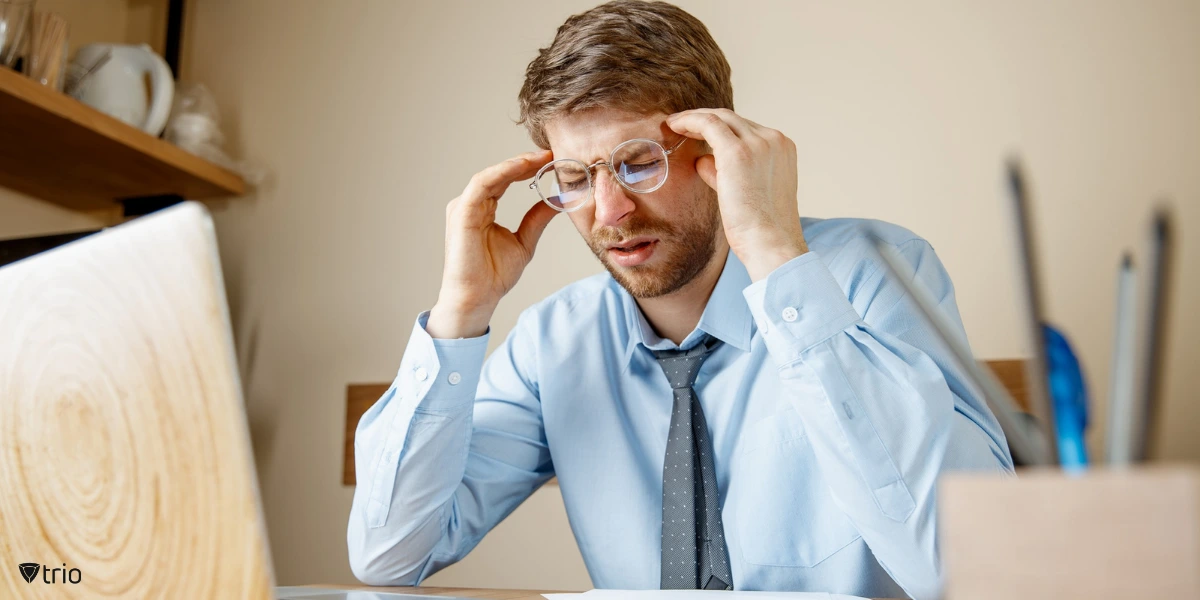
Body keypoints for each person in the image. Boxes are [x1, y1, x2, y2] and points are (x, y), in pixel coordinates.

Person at [347, 2, 1012, 598]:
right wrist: (461, 310)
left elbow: (965, 569)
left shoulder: (874, 273)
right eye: (575, 177)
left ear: (717, 146)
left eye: (638, 162)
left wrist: (776, 256)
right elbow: (388, 556)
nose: (609, 211)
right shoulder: (556, 341)